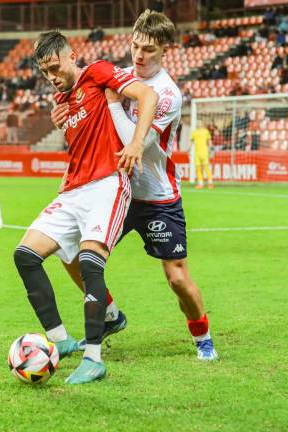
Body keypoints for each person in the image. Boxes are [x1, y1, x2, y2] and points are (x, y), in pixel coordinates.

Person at [50, 9, 218, 361]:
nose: (139, 55)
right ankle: (111, 315)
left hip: (157, 196)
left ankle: (202, 337)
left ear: (165, 51)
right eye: (135, 46)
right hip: (116, 191)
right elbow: (84, 115)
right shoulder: (122, 77)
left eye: (149, 50)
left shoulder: (168, 94)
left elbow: (133, 145)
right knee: (72, 255)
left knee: (176, 278)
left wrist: (112, 104)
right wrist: (62, 115)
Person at [13, 30, 158, 384]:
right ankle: (61, 341)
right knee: (25, 255)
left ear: (70, 54)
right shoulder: (63, 99)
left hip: (108, 183)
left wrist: (137, 142)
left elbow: (147, 93)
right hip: (73, 190)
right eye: (45, 71)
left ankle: (94, 358)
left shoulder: (97, 72)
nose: (51, 76)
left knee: (91, 260)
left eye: (55, 66)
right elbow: (79, 144)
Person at [190, 120, 213, 189]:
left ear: (202, 124)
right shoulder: (194, 132)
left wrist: (211, 150)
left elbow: (209, 141)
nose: (198, 124)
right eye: (197, 123)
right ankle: (200, 184)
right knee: (198, 169)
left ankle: (210, 183)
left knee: (206, 168)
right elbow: (192, 142)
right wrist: (189, 151)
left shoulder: (206, 131)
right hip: (197, 153)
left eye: (199, 123)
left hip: (204, 152)